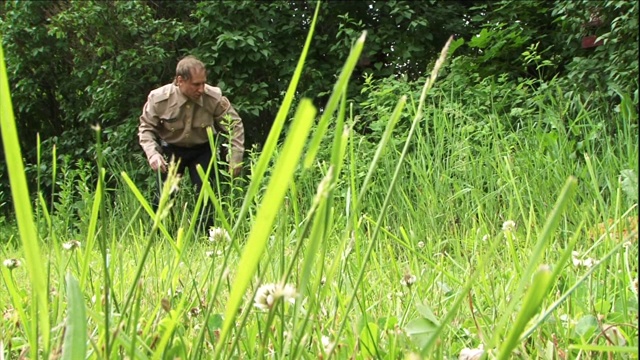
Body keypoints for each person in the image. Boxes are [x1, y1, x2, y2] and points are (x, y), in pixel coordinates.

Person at [138, 55, 244, 226]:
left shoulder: (213, 97)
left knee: (206, 196)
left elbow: (234, 125)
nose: (201, 89)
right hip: (171, 149)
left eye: (203, 83)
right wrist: (153, 154)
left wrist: (235, 157)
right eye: (196, 84)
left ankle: (205, 239)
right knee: (163, 197)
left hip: (202, 150)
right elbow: (146, 128)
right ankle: (161, 238)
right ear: (180, 80)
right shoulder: (159, 99)